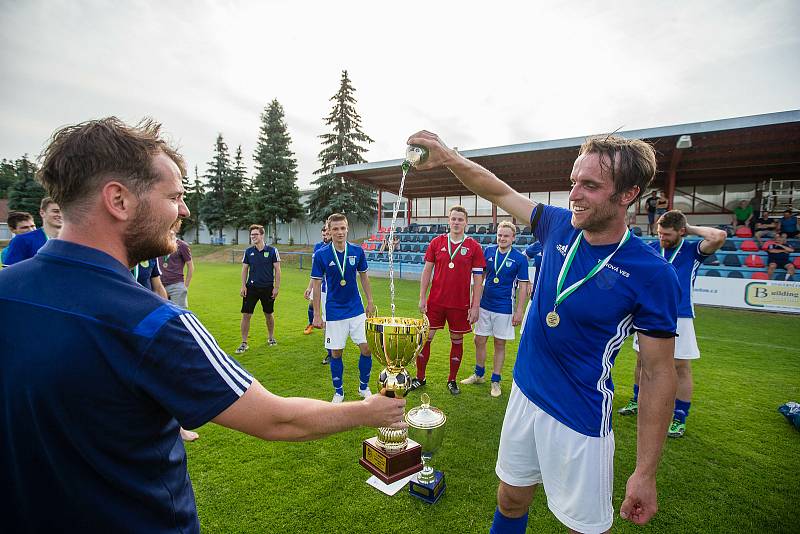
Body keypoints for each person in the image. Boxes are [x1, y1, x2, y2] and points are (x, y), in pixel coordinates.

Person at [0, 117, 406, 533]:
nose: (185, 210)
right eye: (174, 196)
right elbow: (276, 418)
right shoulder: (155, 322)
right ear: (118, 200)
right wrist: (368, 411)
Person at [408, 129, 679, 533]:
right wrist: (449, 158)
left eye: (590, 185)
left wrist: (645, 471)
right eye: (573, 182)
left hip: (580, 417)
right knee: (510, 499)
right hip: (525, 393)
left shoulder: (652, 273)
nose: (574, 195)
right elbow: (498, 191)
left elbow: (659, 374)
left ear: (627, 194)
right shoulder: (557, 225)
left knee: (580, 527)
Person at [618, 211, 727, 440]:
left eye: (667, 234)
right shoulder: (654, 250)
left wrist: (691, 228)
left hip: (681, 316)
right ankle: (637, 400)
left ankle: (679, 417)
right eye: (659, 233)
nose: (662, 238)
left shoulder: (692, 251)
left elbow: (718, 236)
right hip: (649, 315)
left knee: (680, 367)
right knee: (641, 360)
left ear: (681, 231)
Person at [408, 205, 486, 396]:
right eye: (453, 219)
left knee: (457, 339)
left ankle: (452, 380)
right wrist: (422, 297)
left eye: (460, 219)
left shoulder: (474, 247)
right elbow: (427, 271)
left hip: (459, 304)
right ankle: (420, 377)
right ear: (448, 221)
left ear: (466, 222)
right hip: (435, 301)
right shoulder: (436, 242)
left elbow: (478, 280)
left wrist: (475, 306)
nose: (456, 222)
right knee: (426, 338)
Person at [311, 213, 376, 403]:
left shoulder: (357, 251)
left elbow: (364, 276)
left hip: (356, 309)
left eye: (343, 228)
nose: (340, 232)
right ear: (329, 231)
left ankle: (363, 387)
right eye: (335, 229)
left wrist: (370, 301)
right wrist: (316, 313)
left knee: (366, 349)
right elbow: (316, 285)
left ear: (347, 229)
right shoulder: (321, 254)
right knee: (336, 353)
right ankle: (338, 391)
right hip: (334, 310)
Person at [461, 221, 529, 397]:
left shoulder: (520, 259)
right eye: (500, 235)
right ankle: (479, 374)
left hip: (504, 308)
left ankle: (496, 380)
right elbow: (479, 277)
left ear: (513, 238)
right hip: (485, 305)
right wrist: (473, 303)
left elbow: (523, 287)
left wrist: (519, 311)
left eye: (506, 236)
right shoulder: (488, 251)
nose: (502, 238)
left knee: (500, 343)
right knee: (479, 340)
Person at [236, 224, 281, 353]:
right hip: (251, 288)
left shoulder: (272, 251)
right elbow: (244, 269)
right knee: (246, 315)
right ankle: (244, 342)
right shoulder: (248, 252)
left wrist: (276, 288)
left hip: (267, 288)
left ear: (262, 235)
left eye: (255, 234)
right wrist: (243, 286)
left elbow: (278, 270)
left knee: (268, 314)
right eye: (251, 235)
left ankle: (271, 337)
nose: (253, 237)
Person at [2, 197, 62, 265]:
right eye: (56, 211)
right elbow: (10, 272)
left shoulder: (74, 239)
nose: (61, 214)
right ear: (42, 213)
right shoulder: (22, 240)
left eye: (64, 211)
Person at [305, 225, 334, 365]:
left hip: (338, 291)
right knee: (326, 321)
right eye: (325, 233)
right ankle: (330, 353)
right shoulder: (319, 249)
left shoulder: (344, 248)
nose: (326, 235)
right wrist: (309, 287)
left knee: (333, 322)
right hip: (322, 287)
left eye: (328, 232)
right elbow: (315, 272)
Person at [160, 218, 194, 309]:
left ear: (177, 227)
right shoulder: (158, 245)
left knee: (179, 316)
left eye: (174, 225)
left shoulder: (182, 245)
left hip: (176, 286)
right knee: (161, 315)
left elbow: (190, 267)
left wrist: (185, 286)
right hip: (159, 285)